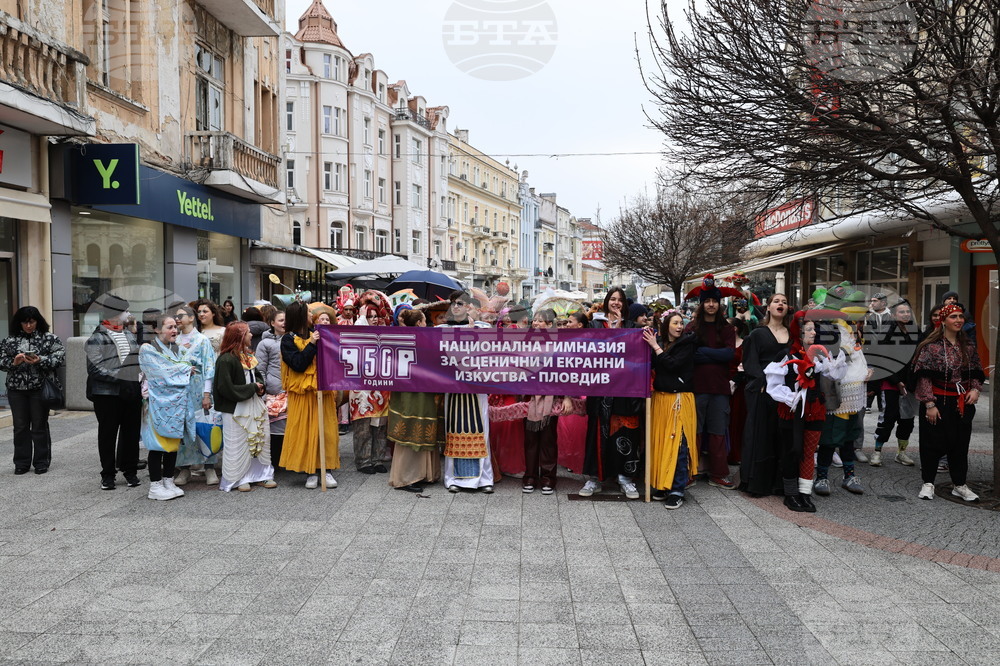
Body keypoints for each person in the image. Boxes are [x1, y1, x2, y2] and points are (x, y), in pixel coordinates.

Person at [765, 313, 845, 512]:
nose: (813, 332)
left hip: (814, 410)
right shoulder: (785, 356)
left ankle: (805, 494)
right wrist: (792, 398)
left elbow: (835, 373)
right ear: (798, 332)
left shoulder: (819, 355)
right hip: (792, 411)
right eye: (808, 329)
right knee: (791, 452)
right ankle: (790, 494)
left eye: (814, 329)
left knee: (809, 454)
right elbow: (773, 386)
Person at [912, 303, 984, 502]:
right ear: (943, 321)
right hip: (937, 402)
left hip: (962, 403)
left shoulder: (968, 346)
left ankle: (959, 484)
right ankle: (928, 483)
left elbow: (978, 372)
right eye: (953, 317)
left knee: (960, 444)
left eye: (961, 316)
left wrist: (976, 389)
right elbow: (923, 377)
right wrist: (929, 404)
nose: (958, 320)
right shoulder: (931, 347)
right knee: (931, 443)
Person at [580, 287, 642, 499]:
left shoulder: (633, 327)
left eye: (620, 300)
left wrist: (620, 330)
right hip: (600, 391)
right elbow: (587, 353)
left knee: (625, 434)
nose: (616, 303)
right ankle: (593, 479)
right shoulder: (595, 325)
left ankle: (625, 478)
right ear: (606, 302)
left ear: (625, 304)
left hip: (625, 392)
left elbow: (637, 357)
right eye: (612, 299)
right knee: (597, 434)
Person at [280, 300, 340, 489]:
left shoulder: (320, 332)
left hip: (322, 389)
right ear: (299, 316)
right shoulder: (288, 339)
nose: (311, 315)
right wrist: (312, 344)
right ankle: (310, 471)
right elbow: (298, 364)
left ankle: (326, 469)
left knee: (325, 430)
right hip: (302, 394)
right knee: (305, 431)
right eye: (307, 312)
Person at [439, 290, 494, 493]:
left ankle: (483, 478)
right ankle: (453, 477)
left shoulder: (483, 328)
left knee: (481, 430)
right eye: (453, 303)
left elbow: (491, 354)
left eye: (460, 303)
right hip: (452, 388)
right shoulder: (441, 329)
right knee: (453, 430)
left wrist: (474, 333)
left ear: (469, 306)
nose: (455, 306)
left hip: (476, 386)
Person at [86, 293, 142, 490]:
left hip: (131, 392)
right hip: (107, 395)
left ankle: (130, 471)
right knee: (108, 434)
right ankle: (107, 474)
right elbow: (94, 368)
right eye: (125, 310)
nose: (128, 313)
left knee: (132, 433)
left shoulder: (129, 334)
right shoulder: (97, 337)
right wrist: (122, 375)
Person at [0, 306, 65, 475]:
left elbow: (59, 358)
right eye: (25, 322)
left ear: (38, 321)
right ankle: (21, 463)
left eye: (32, 322)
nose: (28, 326)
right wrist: (14, 362)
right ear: (19, 323)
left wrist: (40, 360)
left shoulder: (49, 339)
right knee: (20, 427)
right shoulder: (10, 340)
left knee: (39, 426)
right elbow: (1, 361)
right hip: (16, 389)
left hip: (40, 388)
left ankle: (41, 462)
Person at [739, 293, 791, 496]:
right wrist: (762, 382)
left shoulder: (791, 333)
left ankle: (779, 482)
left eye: (784, 302)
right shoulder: (758, 334)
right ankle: (757, 483)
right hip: (763, 390)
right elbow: (750, 361)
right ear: (768, 307)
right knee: (761, 435)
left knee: (781, 436)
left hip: (785, 392)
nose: (781, 304)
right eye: (776, 301)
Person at [684, 286, 737, 489]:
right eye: (707, 301)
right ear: (702, 304)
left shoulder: (727, 329)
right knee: (693, 432)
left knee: (717, 432)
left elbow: (729, 354)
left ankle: (718, 473)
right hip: (696, 388)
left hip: (719, 388)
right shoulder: (691, 328)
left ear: (719, 304)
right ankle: (690, 471)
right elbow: (691, 355)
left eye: (714, 301)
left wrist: (704, 351)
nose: (711, 305)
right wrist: (717, 354)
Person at [645, 309, 698, 509]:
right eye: (675, 323)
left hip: (679, 400)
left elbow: (673, 365)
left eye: (681, 323)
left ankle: (677, 489)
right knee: (661, 442)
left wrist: (655, 347)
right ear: (666, 325)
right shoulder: (660, 343)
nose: (679, 326)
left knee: (678, 445)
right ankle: (663, 484)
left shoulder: (687, 344)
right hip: (661, 399)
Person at [214, 321, 275, 492]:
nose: (251, 336)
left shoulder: (247, 356)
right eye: (248, 333)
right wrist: (252, 388)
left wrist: (260, 386)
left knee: (259, 437)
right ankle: (239, 478)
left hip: (253, 404)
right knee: (237, 441)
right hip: (236, 408)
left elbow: (257, 375)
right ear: (239, 336)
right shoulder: (225, 360)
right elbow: (225, 388)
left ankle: (262, 474)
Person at [386, 308, 442, 492]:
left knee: (416, 427)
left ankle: (423, 473)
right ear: (419, 323)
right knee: (411, 429)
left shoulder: (399, 338)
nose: (426, 324)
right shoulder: (424, 339)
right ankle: (406, 477)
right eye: (424, 321)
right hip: (414, 391)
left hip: (412, 391)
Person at [814, 318, 868, 497]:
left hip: (855, 391)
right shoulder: (828, 326)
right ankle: (821, 477)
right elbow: (825, 355)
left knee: (849, 436)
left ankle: (849, 476)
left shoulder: (855, 327)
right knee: (829, 436)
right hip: (836, 390)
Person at [139, 312, 189, 501]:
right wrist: (184, 368)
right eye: (169, 327)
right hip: (156, 403)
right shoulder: (147, 349)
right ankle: (155, 485)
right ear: (157, 329)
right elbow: (161, 372)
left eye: (175, 327)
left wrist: (184, 366)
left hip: (174, 403)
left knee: (172, 444)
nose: (174, 330)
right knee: (157, 445)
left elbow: (185, 363)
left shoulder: (175, 349)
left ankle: (168, 480)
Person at [170, 304, 219, 487]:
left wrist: (207, 394)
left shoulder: (202, 340)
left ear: (191, 318)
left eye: (181, 316)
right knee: (183, 428)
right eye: (176, 317)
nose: (177, 319)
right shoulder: (173, 341)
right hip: (179, 390)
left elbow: (208, 367)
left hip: (198, 388)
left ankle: (209, 466)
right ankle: (184, 468)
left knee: (203, 425)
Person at [869, 300, 918, 467]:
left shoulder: (915, 332)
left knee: (907, 420)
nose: (905, 315)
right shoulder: (886, 332)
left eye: (907, 312)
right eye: (902, 312)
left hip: (910, 384)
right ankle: (877, 453)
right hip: (890, 382)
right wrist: (897, 381)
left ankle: (901, 453)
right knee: (888, 418)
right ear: (894, 315)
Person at [349, 291, 392, 474]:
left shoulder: (385, 334)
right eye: (370, 317)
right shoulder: (355, 334)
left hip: (381, 387)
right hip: (361, 389)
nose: (374, 319)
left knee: (380, 425)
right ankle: (363, 460)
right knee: (363, 427)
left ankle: (378, 459)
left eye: (376, 316)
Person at [523, 309, 561, 495]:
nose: (536, 323)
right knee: (530, 440)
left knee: (548, 440)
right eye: (535, 320)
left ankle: (548, 478)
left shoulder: (558, 344)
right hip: (529, 397)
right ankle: (530, 476)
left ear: (549, 325)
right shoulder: (524, 342)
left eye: (541, 321)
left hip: (550, 397)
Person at [255, 308, 287, 467]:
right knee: (275, 430)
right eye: (281, 320)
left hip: (291, 390)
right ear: (272, 323)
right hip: (274, 393)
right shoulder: (264, 343)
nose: (284, 323)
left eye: (286, 320)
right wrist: (264, 391)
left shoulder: (294, 339)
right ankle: (274, 461)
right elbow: (260, 369)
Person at [727, 318, 748, 465]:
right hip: (722, 382)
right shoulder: (721, 343)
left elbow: (745, 365)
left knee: (737, 418)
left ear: (734, 329)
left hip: (738, 385)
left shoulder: (744, 344)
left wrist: (735, 381)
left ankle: (736, 453)